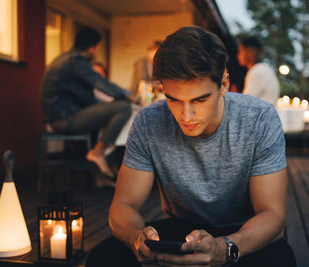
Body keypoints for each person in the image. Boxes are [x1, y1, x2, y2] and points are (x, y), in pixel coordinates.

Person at [86, 26, 296, 266]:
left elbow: (273, 214)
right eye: (173, 99)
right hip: (180, 232)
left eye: (200, 99)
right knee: (103, 258)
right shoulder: (148, 121)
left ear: (224, 83)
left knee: (281, 261)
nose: (186, 115)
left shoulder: (260, 119)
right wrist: (135, 237)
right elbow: (123, 204)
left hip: (243, 233)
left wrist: (223, 248)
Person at [42, 26, 135, 178]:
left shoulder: (64, 59)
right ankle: (98, 152)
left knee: (109, 113)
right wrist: (127, 94)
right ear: (93, 48)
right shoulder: (76, 61)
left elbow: (86, 95)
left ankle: (101, 174)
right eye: (97, 48)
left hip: (59, 116)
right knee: (123, 108)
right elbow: (101, 84)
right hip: (65, 119)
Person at [237, 37, 280, 106]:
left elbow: (245, 102)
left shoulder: (257, 71)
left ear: (249, 53)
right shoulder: (264, 69)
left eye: (240, 51)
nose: (238, 56)